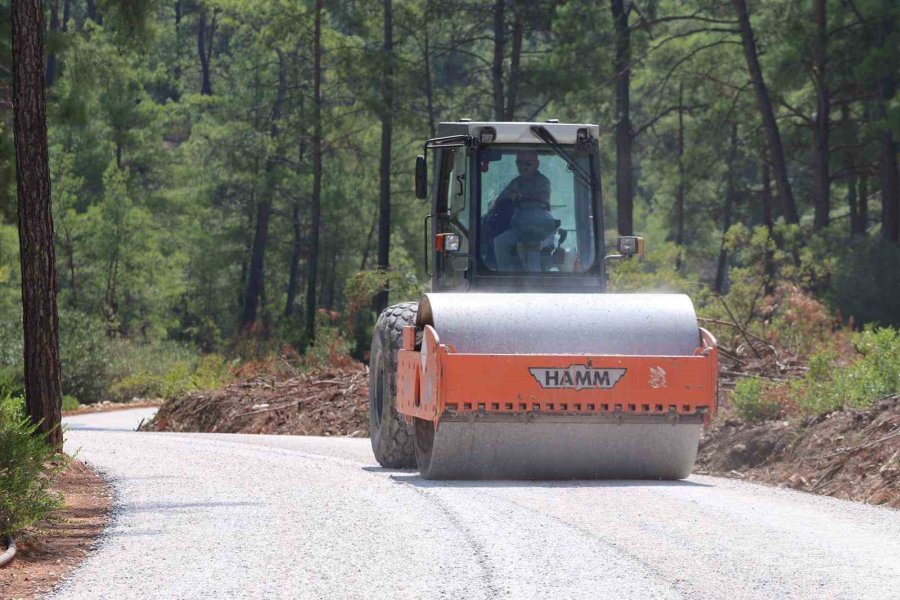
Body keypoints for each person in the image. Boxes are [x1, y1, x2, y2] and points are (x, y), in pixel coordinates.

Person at [483, 151, 555, 272]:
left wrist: (520, 196)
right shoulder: (516, 182)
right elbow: (501, 199)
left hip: (542, 229)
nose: (522, 167)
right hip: (519, 228)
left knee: (530, 246)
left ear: (536, 164)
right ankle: (506, 277)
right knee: (499, 242)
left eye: (527, 163)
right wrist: (497, 203)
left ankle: (535, 282)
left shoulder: (543, 181)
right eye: (519, 163)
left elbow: (543, 199)